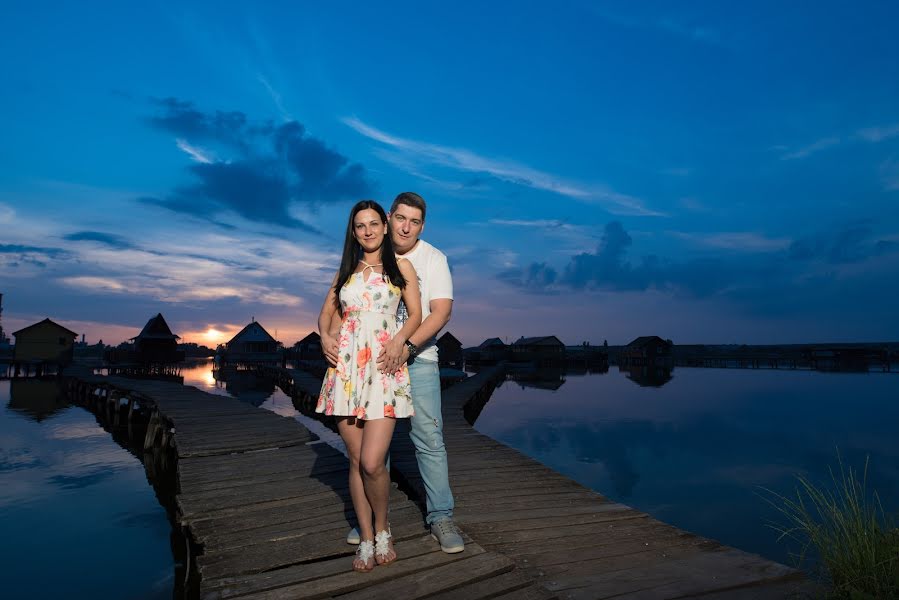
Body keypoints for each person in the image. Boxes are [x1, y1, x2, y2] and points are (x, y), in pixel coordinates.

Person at [328, 192, 465, 554]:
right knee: (375, 449)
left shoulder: (432, 259)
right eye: (400, 218)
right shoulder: (372, 251)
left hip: (417, 357)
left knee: (428, 438)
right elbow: (342, 304)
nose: (406, 227)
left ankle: (441, 516)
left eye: (414, 221)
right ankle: (372, 521)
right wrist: (329, 335)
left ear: (422, 225)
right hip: (369, 363)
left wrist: (405, 348)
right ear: (389, 219)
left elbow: (440, 313)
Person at [316, 200, 422, 572]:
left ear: (385, 225)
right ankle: (364, 538)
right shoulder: (346, 269)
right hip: (345, 371)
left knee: (374, 462)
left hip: (383, 368)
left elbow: (417, 314)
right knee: (357, 459)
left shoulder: (400, 266)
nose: (368, 231)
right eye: (360, 225)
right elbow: (327, 312)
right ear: (354, 231)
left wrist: (400, 342)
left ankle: (383, 529)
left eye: (374, 223)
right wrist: (324, 336)